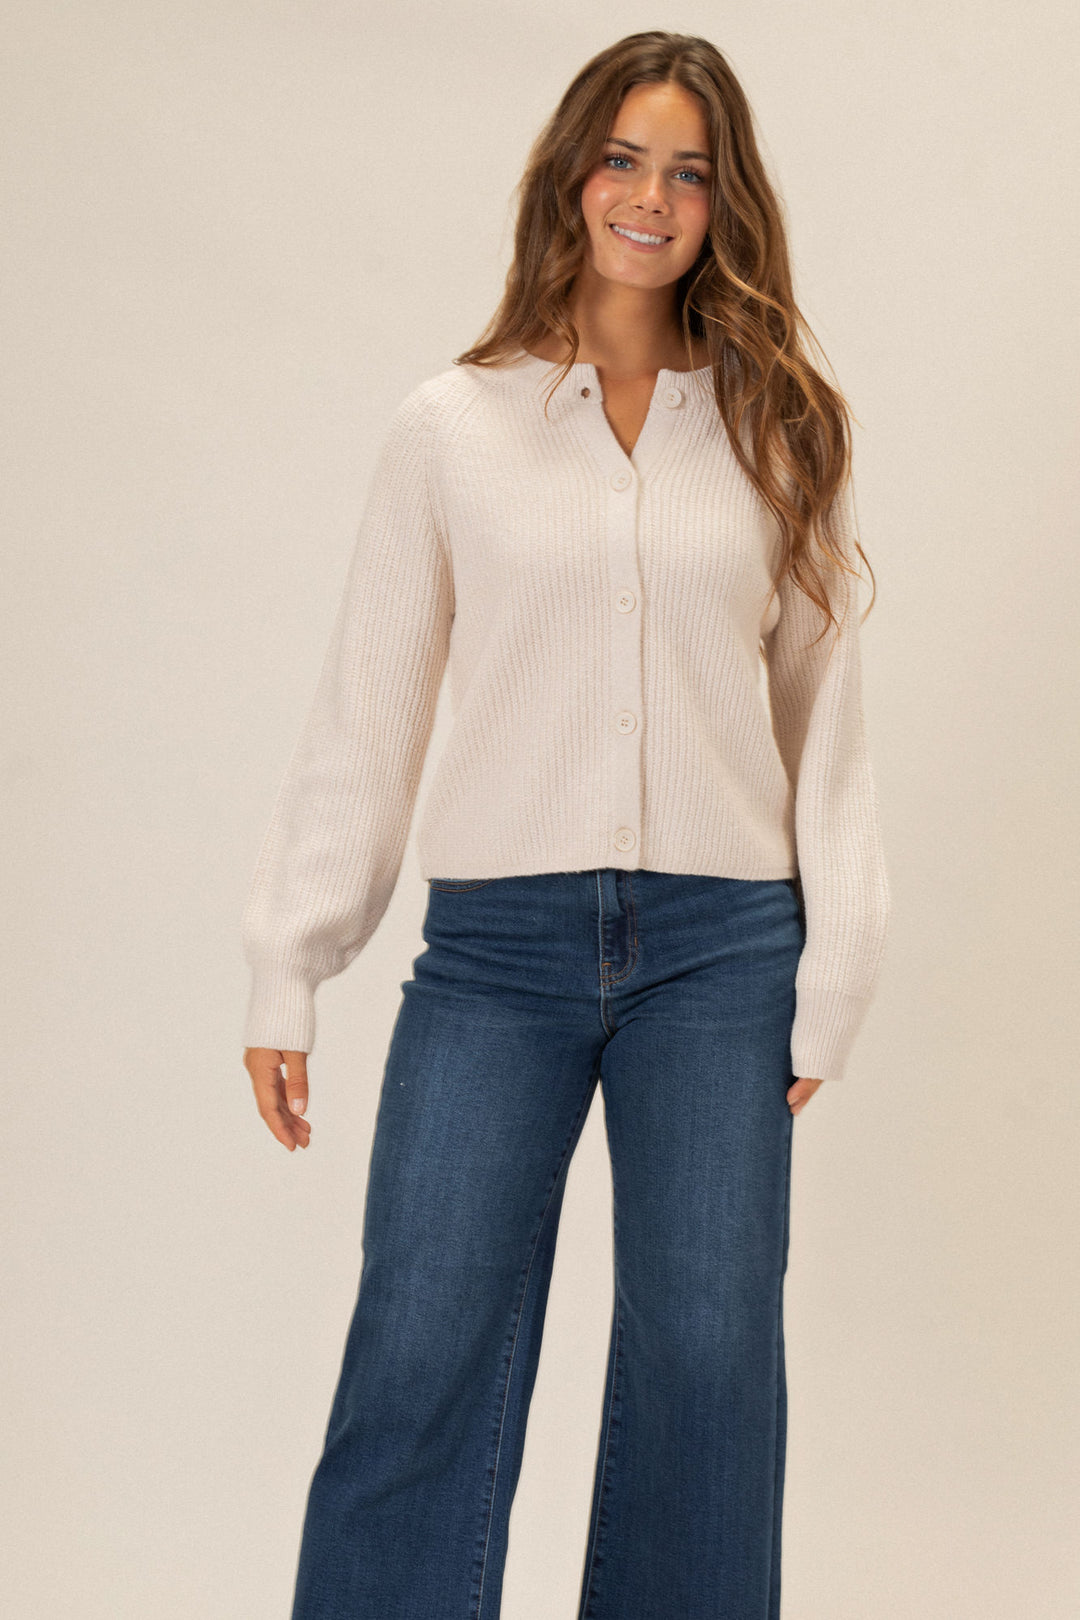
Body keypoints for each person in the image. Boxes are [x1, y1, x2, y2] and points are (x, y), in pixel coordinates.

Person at [240, 29, 890, 1620]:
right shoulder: (450, 429)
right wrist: (291, 957)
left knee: (711, 1359)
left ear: (724, 203)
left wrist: (841, 961)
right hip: (498, 953)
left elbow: (827, 715)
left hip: (725, 955)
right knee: (425, 1332)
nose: (650, 197)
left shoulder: (780, 426)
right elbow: (367, 713)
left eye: (688, 170)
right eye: (623, 158)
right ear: (569, 176)